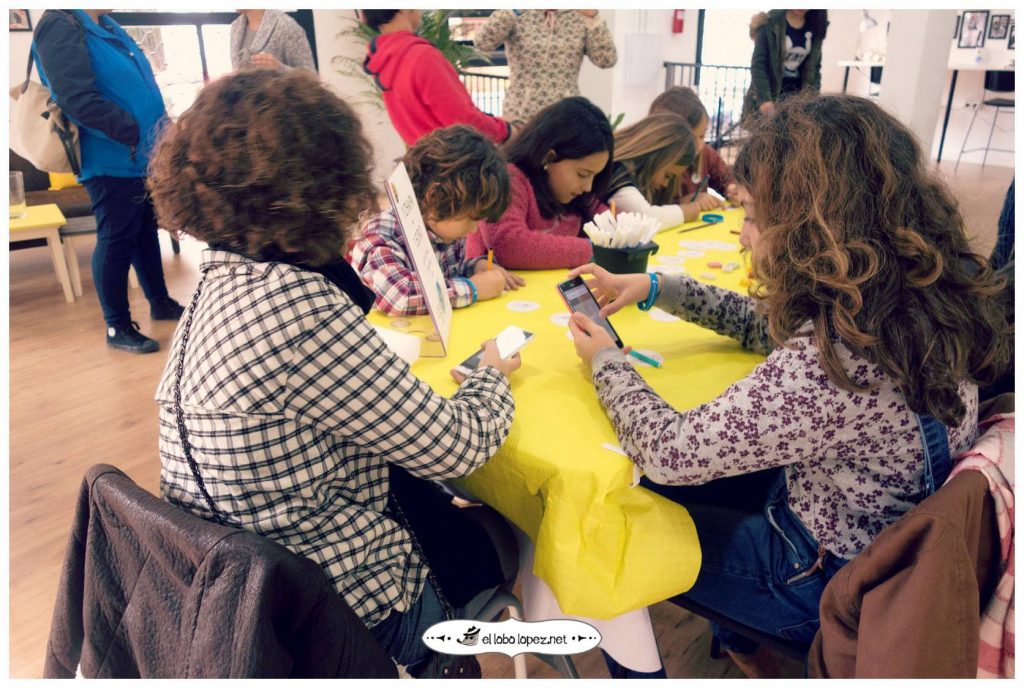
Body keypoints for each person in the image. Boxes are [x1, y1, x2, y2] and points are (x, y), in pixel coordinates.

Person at [565, 94, 1010, 677]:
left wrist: (607, 361)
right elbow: (767, 328)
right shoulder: (908, 297)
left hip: (819, 576)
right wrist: (659, 289)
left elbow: (668, 450)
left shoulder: (833, 367)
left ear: (808, 222)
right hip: (874, 539)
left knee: (613, 533)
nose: (743, 236)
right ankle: (740, 641)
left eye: (751, 215)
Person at [147, 69, 523, 674]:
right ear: (328, 178)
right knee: (511, 525)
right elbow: (458, 447)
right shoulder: (298, 302)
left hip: (238, 591)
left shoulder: (215, 286)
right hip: (332, 598)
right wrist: (494, 375)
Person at [32, 9, 183, 354]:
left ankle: (159, 302)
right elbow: (75, 97)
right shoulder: (60, 23)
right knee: (117, 237)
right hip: (110, 157)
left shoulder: (107, 25)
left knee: (144, 230)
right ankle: (117, 327)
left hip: (142, 154)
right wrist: (130, 130)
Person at [351, 125, 525, 316]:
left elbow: (445, 277)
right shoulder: (382, 233)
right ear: (435, 196)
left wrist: (474, 267)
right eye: (471, 218)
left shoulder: (443, 229)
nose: (474, 230)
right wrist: (472, 289)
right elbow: (400, 296)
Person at [466, 96, 613, 270]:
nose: (588, 186)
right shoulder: (509, 180)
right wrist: (596, 250)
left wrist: (626, 234)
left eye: (595, 176)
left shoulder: (579, 195)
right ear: (549, 156)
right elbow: (507, 244)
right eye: (582, 174)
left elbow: (610, 222)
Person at [361, 9, 513, 146]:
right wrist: (506, 131)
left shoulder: (383, 60)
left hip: (428, 166)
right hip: (459, 165)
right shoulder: (422, 57)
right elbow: (463, 121)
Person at [473, 9, 617, 124]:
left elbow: (606, 60)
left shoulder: (579, 18)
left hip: (565, 116)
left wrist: (593, 19)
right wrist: (514, 10)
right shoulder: (519, 15)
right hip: (520, 114)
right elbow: (482, 42)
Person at [648, 86, 739, 216]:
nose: (698, 146)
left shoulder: (706, 153)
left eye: (702, 136)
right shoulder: (654, 162)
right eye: (690, 138)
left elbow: (725, 177)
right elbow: (647, 211)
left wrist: (732, 188)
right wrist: (684, 203)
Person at [602, 113, 697, 230]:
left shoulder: (633, 172)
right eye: (667, 176)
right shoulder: (618, 171)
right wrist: (683, 212)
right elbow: (645, 218)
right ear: (655, 158)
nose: (665, 184)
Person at [742, 10, 829, 120]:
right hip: (770, 94)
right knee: (766, 134)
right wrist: (764, 99)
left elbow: (815, 68)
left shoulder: (816, 25)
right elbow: (758, 65)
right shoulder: (770, 22)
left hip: (798, 97)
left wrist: (813, 100)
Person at [230, 9, 316, 72]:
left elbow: (311, 79)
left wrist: (279, 68)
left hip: (278, 96)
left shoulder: (286, 25)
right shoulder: (236, 27)